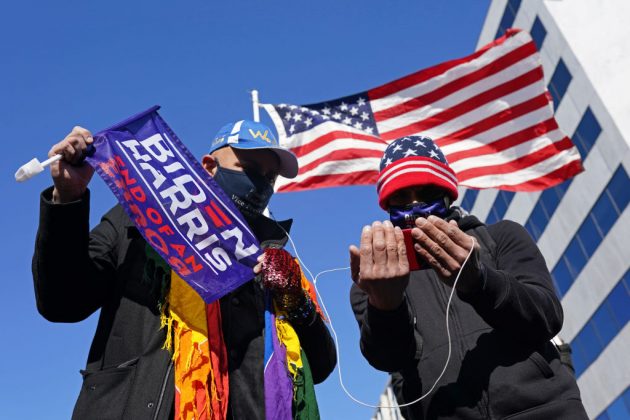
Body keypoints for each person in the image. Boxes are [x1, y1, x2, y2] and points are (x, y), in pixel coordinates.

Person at [32, 121, 336, 419]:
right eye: (250, 169)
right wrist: (68, 199)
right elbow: (62, 302)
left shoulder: (274, 262)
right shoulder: (140, 222)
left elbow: (320, 366)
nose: (260, 184)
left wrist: (296, 300)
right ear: (208, 166)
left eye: (269, 178)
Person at [349, 135, 588, 419]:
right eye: (401, 197)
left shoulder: (501, 237)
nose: (414, 207)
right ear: (388, 206)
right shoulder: (375, 278)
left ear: (447, 194)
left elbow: (547, 316)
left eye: (426, 193)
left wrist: (479, 280)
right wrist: (386, 306)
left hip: (546, 410)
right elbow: (388, 359)